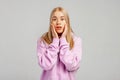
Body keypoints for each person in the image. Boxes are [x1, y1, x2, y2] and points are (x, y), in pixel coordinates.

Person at [37, 7, 82, 80]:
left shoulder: (76, 40)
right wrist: (55, 41)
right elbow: (45, 65)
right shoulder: (43, 40)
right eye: (54, 19)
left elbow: (72, 66)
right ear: (51, 22)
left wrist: (63, 40)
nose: (58, 22)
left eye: (62, 19)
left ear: (67, 22)